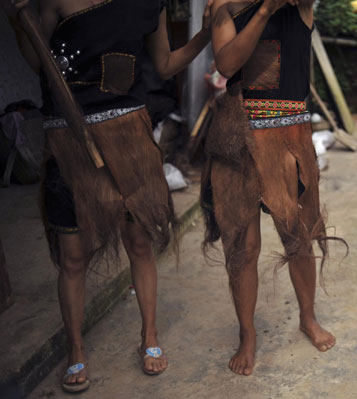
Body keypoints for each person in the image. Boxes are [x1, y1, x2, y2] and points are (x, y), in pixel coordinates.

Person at [2, 0, 212, 392]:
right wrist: (18, 22)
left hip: (128, 138)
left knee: (139, 242)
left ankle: (149, 336)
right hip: (69, 140)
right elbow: (38, 61)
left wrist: (205, 35)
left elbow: (164, 65)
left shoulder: (151, 5)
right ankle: (75, 349)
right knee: (73, 255)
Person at [202, 0, 344, 376]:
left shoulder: (301, 4)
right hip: (240, 137)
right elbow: (228, 65)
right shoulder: (224, 7)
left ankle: (308, 318)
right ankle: (247, 335)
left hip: (290, 137)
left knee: (298, 237)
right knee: (243, 248)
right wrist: (263, 11)